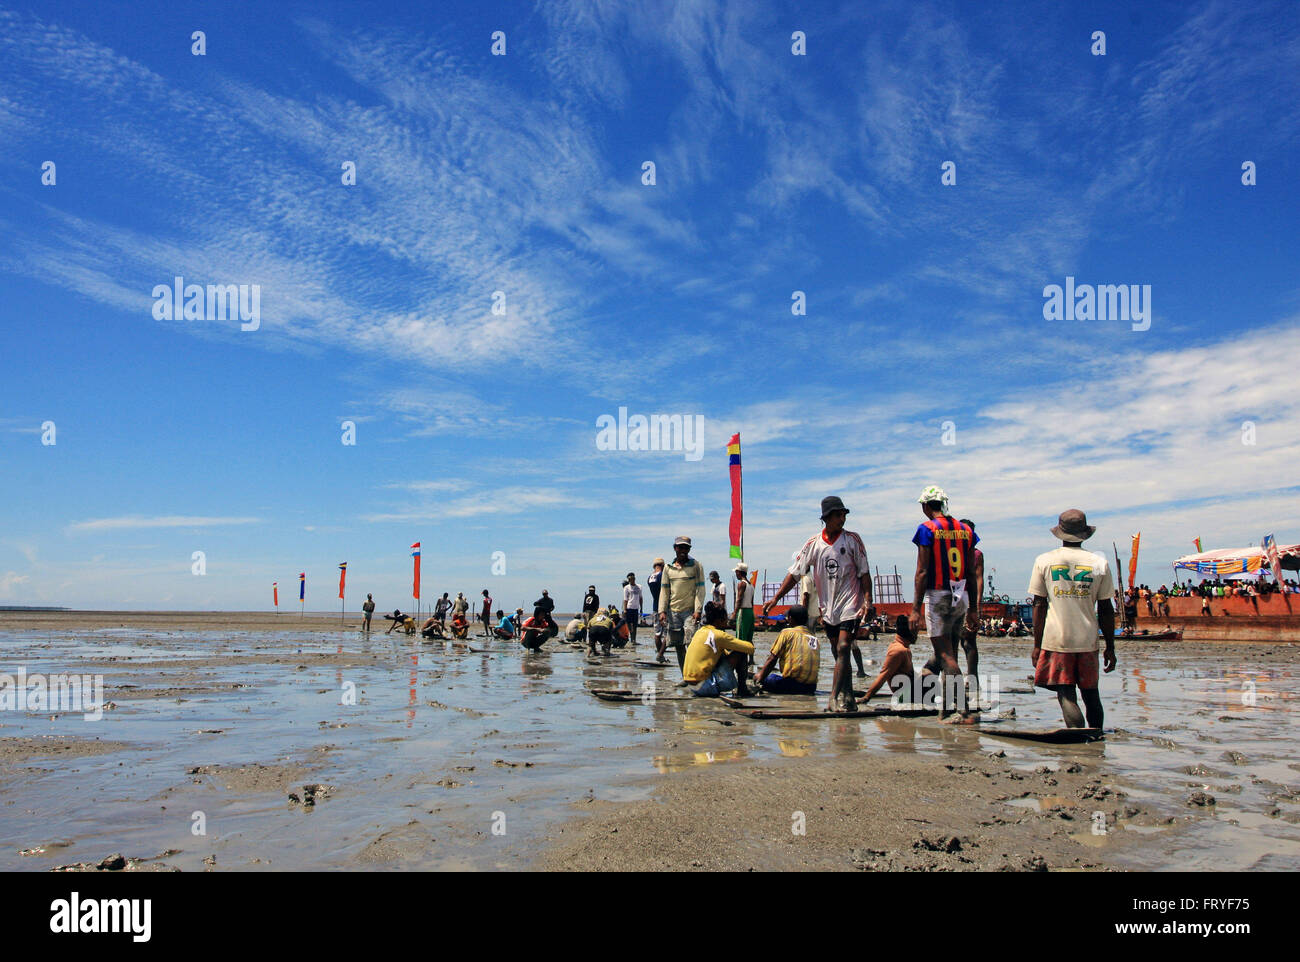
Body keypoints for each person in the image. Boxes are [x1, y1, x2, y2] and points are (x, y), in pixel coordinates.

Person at [762, 496, 872, 713]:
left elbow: (864, 573)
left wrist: (867, 600)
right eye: (839, 515)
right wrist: (776, 598)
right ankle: (847, 694)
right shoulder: (813, 544)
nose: (843, 518)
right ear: (828, 518)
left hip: (851, 603)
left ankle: (833, 698)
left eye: (844, 515)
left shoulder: (853, 540)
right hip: (829, 608)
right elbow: (794, 574)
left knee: (843, 647)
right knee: (837, 651)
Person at [1027, 509, 1117, 730]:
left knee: (1066, 694)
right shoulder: (1099, 563)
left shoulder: (1045, 561)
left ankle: (1077, 737)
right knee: (1091, 694)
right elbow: (1106, 609)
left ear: (1060, 532)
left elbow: (1039, 605)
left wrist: (1037, 645)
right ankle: (1096, 740)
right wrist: (1110, 647)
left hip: (1057, 639)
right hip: (1087, 640)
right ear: (1085, 533)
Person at [909, 486, 978, 720]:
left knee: (944, 655)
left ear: (926, 506)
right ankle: (946, 708)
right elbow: (970, 570)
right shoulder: (966, 530)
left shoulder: (927, 529)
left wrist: (915, 609)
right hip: (961, 596)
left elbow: (922, 571)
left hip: (938, 595)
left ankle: (963, 706)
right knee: (953, 651)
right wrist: (975, 610)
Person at [683, 602, 755, 698]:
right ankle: (742, 689)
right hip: (704, 687)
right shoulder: (718, 635)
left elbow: (718, 653)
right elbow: (750, 648)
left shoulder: (700, 632)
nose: (726, 622)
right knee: (741, 652)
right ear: (718, 621)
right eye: (725, 619)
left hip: (692, 686)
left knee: (722, 655)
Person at [657, 536, 706, 670]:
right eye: (680, 547)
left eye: (686, 547)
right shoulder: (668, 568)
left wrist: (698, 610)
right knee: (678, 645)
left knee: (691, 644)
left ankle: (694, 673)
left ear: (689, 549)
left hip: (690, 612)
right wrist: (662, 611)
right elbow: (664, 591)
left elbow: (700, 590)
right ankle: (685, 675)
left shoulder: (696, 566)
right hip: (673, 612)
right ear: (675, 548)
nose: (683, 550)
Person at [754, 604, 819, 695]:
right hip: (811, 687)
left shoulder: (787, 633)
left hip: (792, 685)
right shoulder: (814, 637)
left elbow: (772, 658)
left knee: (769, 678)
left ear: (790, 618)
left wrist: (760, 677)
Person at [862, 615, 918, 703]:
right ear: (908, 632)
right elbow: (883, 676)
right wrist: (866, 697)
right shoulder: (898, 651)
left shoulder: (904, 648)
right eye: (915, 632)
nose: (917, 635)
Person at [732, 562, 756, 680]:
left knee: (740, 639)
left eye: (736, 572)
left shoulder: (741, 584)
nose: (736, 574)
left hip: (743, 611)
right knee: (748, 638)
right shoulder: (751, 584)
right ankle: (750, 660)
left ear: (739, 572)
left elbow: (739, 599)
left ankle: (742, 661)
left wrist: (734, 613)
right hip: (750, 612)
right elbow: (751, 601)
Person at [623, 572, 642, 647]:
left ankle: (634, 639)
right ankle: (631, 638)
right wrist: (625, 609)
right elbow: (625, 599)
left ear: (634, 578)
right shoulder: (627, 588)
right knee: (629, 624)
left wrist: (641, 608)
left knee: (635, 625)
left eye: (632, 579)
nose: (631, 580)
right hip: (629, 607)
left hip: (636, 608)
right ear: (628, 580)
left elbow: (640, 598)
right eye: (630, 579)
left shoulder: (639, 587)